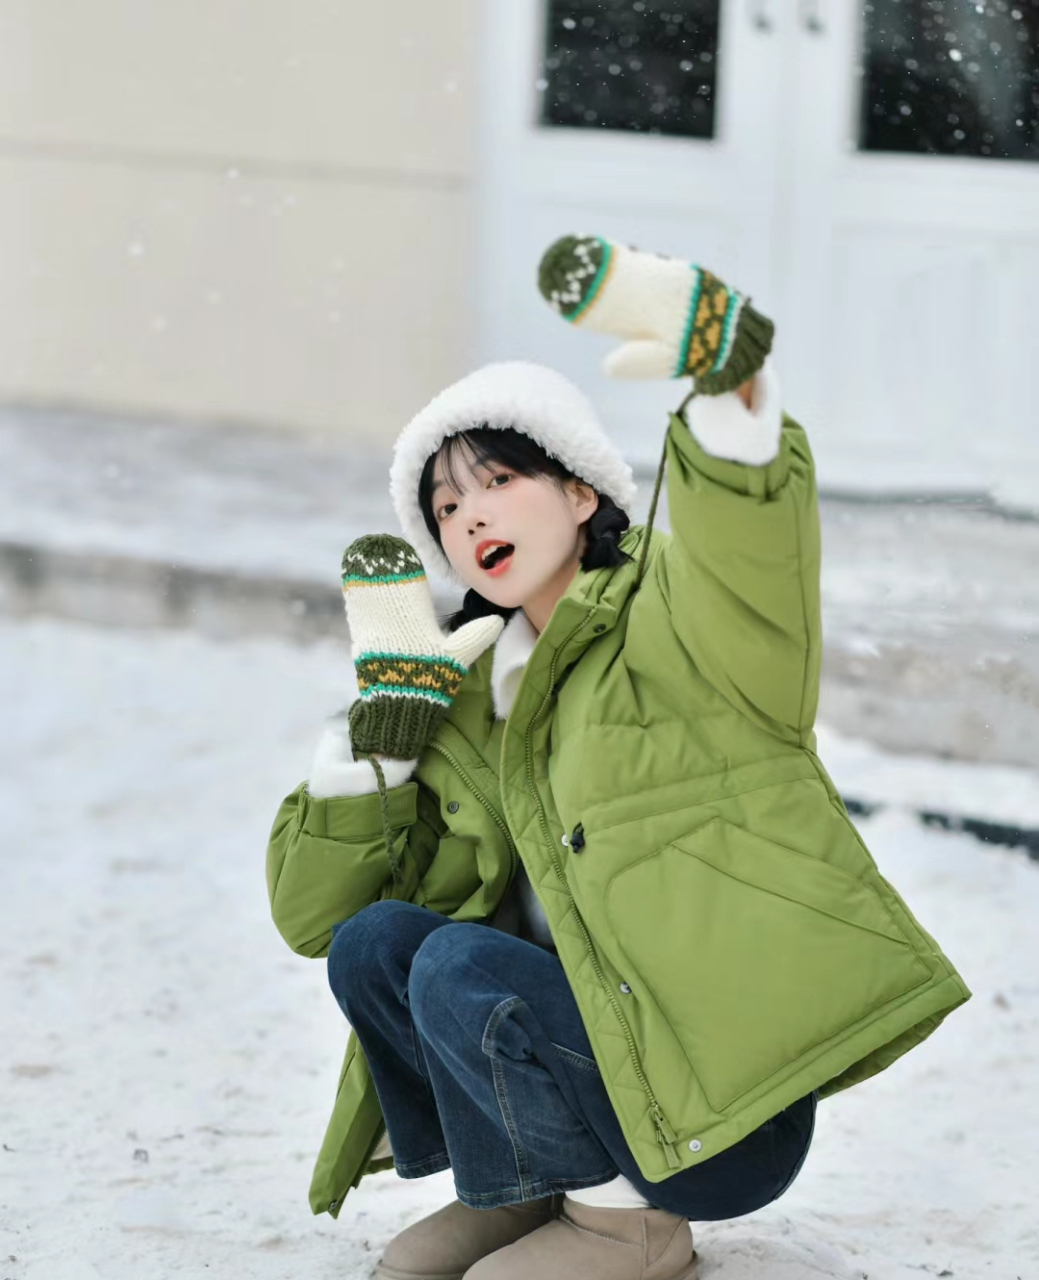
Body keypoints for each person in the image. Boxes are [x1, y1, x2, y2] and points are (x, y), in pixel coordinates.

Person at [266, 235, 971, 1280]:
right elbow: (316, 923)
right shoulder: (463, 696)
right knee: (381, 940)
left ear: (583, 492)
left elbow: (749, 564)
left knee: (463, 961)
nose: (471, 517)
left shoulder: (682, 632)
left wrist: (731, 394)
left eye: (497, 479)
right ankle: (522, 1191)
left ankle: (626, 1225)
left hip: (718, 1110)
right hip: (599, 1064)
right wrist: (373, 755)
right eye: (446, 510)